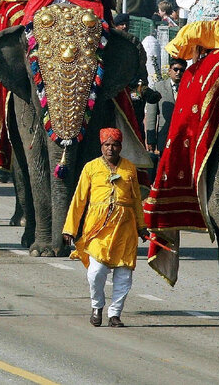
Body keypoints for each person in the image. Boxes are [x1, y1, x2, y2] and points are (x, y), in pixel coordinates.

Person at [62, 128, 149, 328]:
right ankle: (97, 306)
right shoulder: (91, 168)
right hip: (98, 229)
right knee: (96, 272)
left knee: (124, 274)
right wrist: (70, 228)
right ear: (101, 146)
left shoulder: (129, 169)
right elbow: (79, 199)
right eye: (107, 145)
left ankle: (115, 314)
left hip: (125, 229)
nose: (111, 149)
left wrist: (142, 227)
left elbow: (136, 200)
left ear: (121, 147)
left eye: (115, 145)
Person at [144, 58, 184, 154]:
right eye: (175, 69)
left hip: (183, 138)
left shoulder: (188, 87)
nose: (178, 72)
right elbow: (151, 116)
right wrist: (151, 139)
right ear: (170, 71)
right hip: (164, 137)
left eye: (182, 70)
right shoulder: (159, 87)